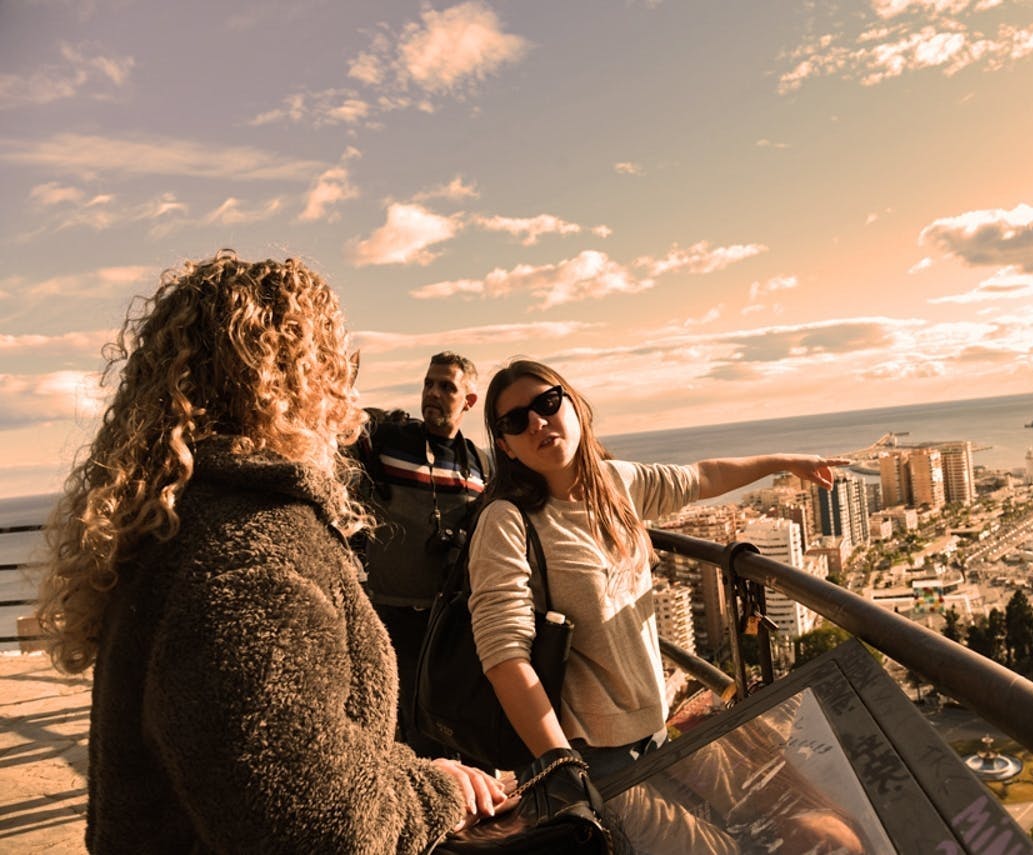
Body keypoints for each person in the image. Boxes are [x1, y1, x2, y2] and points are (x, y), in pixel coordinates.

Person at [35, 251, 507, 853]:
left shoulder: (179, 513)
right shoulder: (256, 551)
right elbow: (315, 823)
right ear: (298, 376)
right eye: (337, 363)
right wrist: (436, 790)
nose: (347, 391)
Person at [467, 359, 845, 781]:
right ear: (504, 445)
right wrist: (561, 769)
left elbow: (700, 477)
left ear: (574, 406)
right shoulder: (506, 520)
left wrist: (783, 462)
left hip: (653, 732)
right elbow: (504, 656)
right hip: (587, 753)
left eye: (548, 403)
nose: (537, 422)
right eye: (516, 421)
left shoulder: (616, 484)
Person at [351, 351, 486, 754]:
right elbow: (340, 422)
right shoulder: (390, 438)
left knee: (458, 720)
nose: (433, 393)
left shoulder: (477, 463)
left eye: (447, 386)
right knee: (413, 728)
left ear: (469, 401)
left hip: (449, 619)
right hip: (392, 613)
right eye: (429, 383)